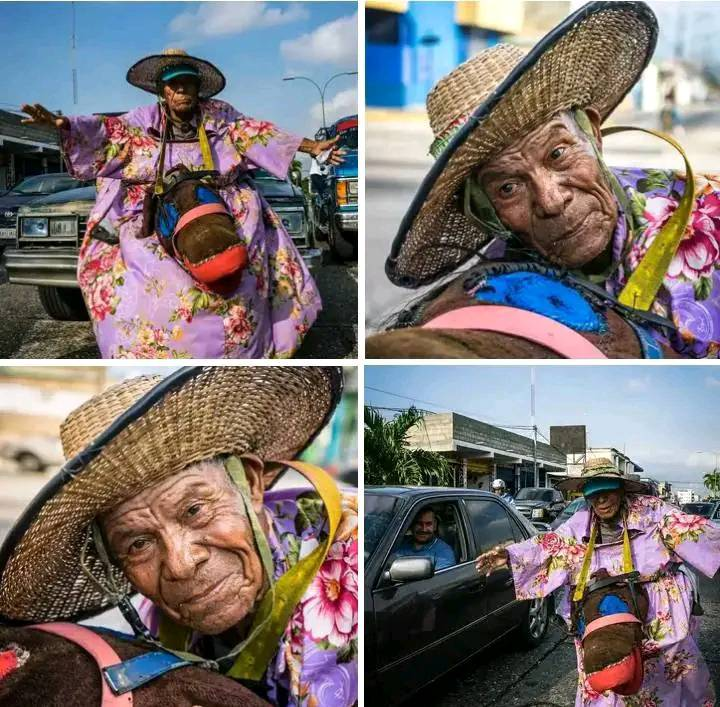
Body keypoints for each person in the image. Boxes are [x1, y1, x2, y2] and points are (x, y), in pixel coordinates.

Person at [368, 1, 720, 359]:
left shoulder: (712, 211)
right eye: (508, 188)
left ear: (593, 134)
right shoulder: (494, 286)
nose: (551, 201)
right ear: (486, 212)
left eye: (558, 154)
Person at [0, 367, 358, 707]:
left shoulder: (356, 561)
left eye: (194, 510)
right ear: (115, 563)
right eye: (138, 544)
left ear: (249, 483)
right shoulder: (159, 620)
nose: (182, 565)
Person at [20, 49, 344, 359]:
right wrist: (64, 125)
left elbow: (258, 134)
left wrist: (313, 146)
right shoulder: (139, 122)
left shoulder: (221, 116)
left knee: (246, 261)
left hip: (221, 207)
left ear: (198, 87)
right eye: (174, 84)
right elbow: (107, 131)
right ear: (163, 91)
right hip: (163, 212)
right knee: (150, 276)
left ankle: (242, 353)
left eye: (188, 82)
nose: (182, 90)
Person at [475, 458, 720, 706]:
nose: (600, 501)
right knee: (608, 675)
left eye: (606, 493)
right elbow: (549, 546)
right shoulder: (580, 522)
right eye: (593, 495)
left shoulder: (653, 512)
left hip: (656, 612)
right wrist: (509, 555)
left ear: (620, 489)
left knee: (665, 676)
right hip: (602, 614)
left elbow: (694, 531)